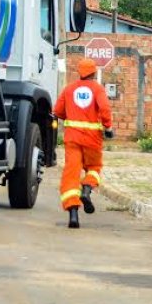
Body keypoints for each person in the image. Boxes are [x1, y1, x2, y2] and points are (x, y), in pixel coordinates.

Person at [53, 58, 114, 229]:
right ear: (94, 73)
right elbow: (104, 109)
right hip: (92, 139)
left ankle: (73, 214)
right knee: (94, 167)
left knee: (71, 174)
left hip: (72, 139)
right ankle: (86, 190)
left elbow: (57, 111)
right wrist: (108, 127)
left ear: (80, 72)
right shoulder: (97, 89)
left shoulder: (69, 89)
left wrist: (72, 115)